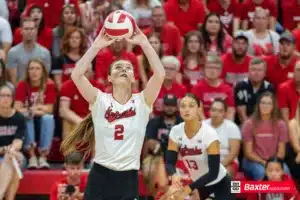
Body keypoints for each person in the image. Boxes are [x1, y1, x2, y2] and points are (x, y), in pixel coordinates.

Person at [60, 26, 165, 200]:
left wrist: (144, 43)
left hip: (128, 177)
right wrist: (96, 46)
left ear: (133, 77)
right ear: (109, 77)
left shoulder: (142, 101)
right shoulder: (99, 100)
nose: (123, 69)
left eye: (128, 68)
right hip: (100, 174)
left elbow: (160, 74)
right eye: (118, 67)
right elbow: (77, 75)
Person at [165, 93, 234, 200]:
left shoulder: (210, 134)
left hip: (221, 184)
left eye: (191, 106)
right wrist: (173, 175)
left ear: (198, 109)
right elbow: (169, 162)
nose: (187, 109)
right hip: (200, 185)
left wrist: (188, 189)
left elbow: (213, 173)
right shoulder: (175, 131)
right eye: (183, 106)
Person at [15, 59, 56, 169]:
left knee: (48, 118)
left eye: (37, 68)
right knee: (27, 117)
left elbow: (50, 109)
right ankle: (32, 156)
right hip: (29, 119)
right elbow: (17, 108)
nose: (34, 71)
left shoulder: (49, 84)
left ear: (43, 71)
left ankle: (43, 156)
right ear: (27, 71)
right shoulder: (22, 84)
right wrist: (33, 110)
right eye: (31, 68)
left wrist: (35, 109)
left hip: (41, 118)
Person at [242, 92, 290, 180]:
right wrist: (264, 163)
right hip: (254, 161)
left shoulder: (280, 124)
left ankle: (285, 194)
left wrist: (272, 165)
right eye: (263, 103)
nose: (265, 106)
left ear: (273, 107)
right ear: (258, 105)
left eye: (269, 103)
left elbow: (281, 152)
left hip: (274, 161)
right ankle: (262, 194)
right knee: (262, 172)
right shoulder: (249, 124)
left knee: (285, 172)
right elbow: (248, 153)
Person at [0, 85, 26, 200]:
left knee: (12, 158)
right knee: (13, 165)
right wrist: (5, 149)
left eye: (8, 96)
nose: (5, 98)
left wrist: (11, 149)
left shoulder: (19, 117)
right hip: (4, 153)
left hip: (13, 154)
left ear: (12, 99)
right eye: (2, 95)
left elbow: (18, 142)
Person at [203, 98, 241, 177]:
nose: (216, 113)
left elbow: (234, 153)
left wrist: (218, 165)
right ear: (209, 111)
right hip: (205, 161)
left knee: (223, 175)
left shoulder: (232, 127)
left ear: (225, 113)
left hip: (227, 161)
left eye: (220, 111)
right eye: (213, 110)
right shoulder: (202, 126)